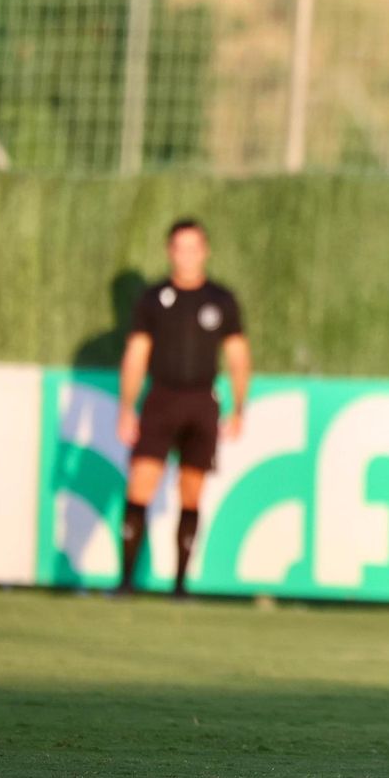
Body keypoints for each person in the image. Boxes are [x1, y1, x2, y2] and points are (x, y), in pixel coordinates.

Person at [115, 218, 250, 599]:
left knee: (192, 491)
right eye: (179, 248)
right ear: (170, 252)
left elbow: (238, 356)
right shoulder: (153, 299)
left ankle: (179, 585)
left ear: (204, 251)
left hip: (201, 403)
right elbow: (137, 355)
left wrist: (240, 407)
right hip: (160, 400)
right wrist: (126, 407)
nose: (187, 256)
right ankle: (125, 582)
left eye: (194, 248)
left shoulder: (221, 300)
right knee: (140, 483)